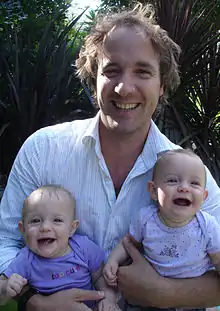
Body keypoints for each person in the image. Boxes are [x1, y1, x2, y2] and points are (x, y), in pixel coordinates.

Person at [1, 2, 220, 311]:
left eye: (142, 72)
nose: (124, 87)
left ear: (162, 86)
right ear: (94, 80)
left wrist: (166, 293)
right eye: (112, 70)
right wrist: (34, 300)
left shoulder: (189, 177)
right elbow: (5, 238)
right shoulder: (43, 150)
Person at [103, 149, 220, 311]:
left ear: (204, 196)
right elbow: (128, 243)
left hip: (188, 302)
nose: (184, 188)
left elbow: (218, 259)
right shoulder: (146, 219)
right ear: (153, 190)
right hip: (144, 297)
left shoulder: (207, 226)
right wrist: (113, 261)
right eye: (173, 181)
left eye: (194, 183)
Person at [0, 185, 119, 311]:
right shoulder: (26, 260)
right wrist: (6, 287)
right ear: (22, 229)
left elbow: (100, 277)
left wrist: (108, 299)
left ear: (72, 228)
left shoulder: (83, 248)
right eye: (35, 220)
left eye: (57, 220)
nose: (45, 227)